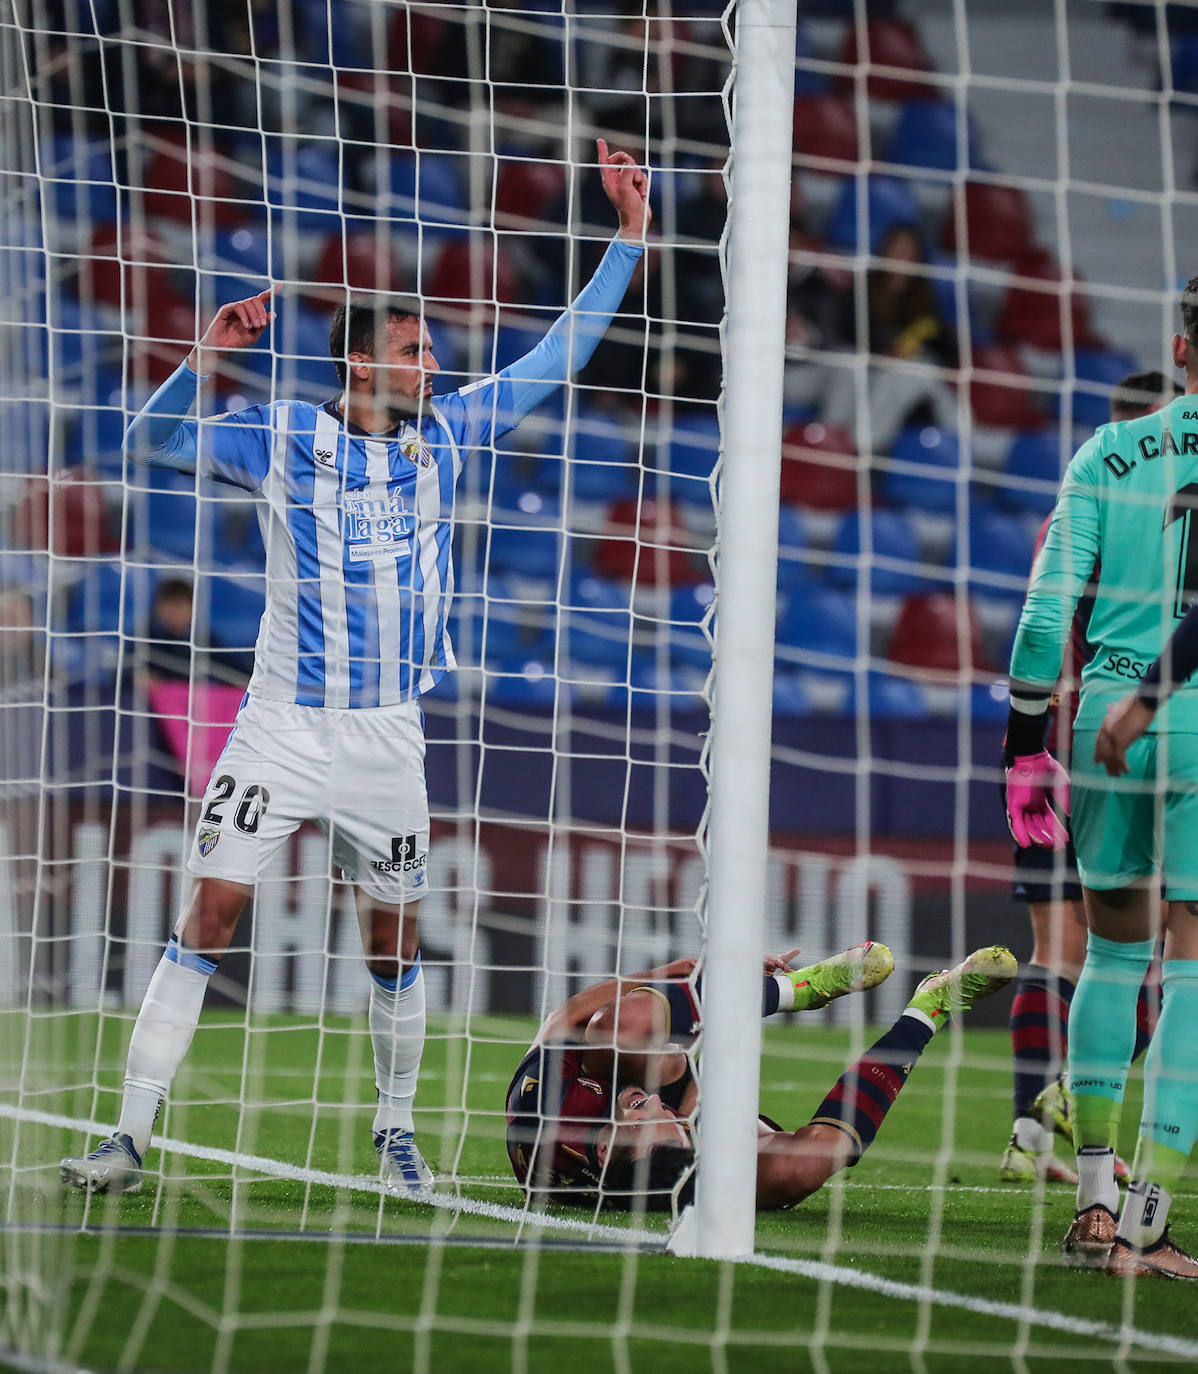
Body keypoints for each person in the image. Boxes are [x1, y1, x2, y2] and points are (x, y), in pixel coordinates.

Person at [60, 139, 651, 1199]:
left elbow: (559, 356)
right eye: (417, 350)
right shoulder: (283, 437)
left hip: (387, 736)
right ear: (364, 365)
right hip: (282, 724)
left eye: (432, 349)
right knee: (210, 916)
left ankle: (394, 1131)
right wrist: (206, 350)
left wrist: (627, 239)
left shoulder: (453, 431)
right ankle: (128, 1136)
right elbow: (145, 446)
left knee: (391, 942)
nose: (436, 364)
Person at [1004, 287, 1198, 1279]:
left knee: (1111, 959)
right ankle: (1147, 1225)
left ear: (1180, 345)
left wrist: (1023, 742)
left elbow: (1043, 623)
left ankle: (1090, 1201)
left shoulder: (1103, 451)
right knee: (1194, 965)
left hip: (1100, 725)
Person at [506, 941, 1016, 1211]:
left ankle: (797, 991)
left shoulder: (553, 1109)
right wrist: (689, 1119)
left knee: (630, 1029)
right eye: (674, 1122)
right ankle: (932, 1006)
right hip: (686, 1123)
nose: (656, 1104)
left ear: (603, 1146)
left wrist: (691, 973)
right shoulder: (682, 1168)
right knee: (803, 1168)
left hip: (622, 1055)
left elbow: (570, 1016)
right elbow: (674, 1129)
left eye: (645, 1108)